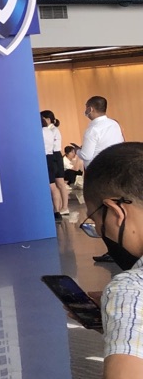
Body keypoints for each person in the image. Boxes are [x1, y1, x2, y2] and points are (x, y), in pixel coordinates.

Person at [82, 143, 143, 379]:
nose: (99, 230)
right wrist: (120, 328)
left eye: (95, 221)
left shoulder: (132, 287)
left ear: (117, 211)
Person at [80, 96, 125, 264]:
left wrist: (77, 151)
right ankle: (123, 249)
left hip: (99, 175)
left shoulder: (92, 129)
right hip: (117, 171)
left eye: (86, 107)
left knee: (102, 215)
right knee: (118, 212)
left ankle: (113, 251)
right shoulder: (114, 124)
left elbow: (86, 155)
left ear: (90, 108)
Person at [42, 110, 72, 219]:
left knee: (59, 183)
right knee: (55, 184)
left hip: (55, 155)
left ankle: (64, 207)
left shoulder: (53, 130)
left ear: (48, 119)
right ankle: (58, 208)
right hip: (52, 155)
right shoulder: (49, 130)